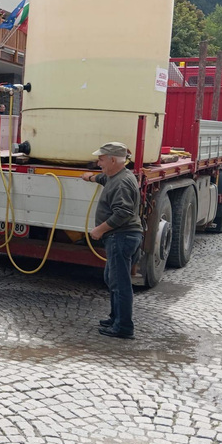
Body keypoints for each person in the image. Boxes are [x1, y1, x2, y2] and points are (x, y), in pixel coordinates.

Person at [80, 142, 143, 339]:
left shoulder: (122, 182)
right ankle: (116, 318)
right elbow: (105, 178)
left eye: (101, 159)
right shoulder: (117, 176)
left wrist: (100, 229)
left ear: (113, 160)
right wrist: (91, 178)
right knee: (111, 278)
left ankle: (123, 326)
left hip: (120, 237)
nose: (98, 162)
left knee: (120, 283)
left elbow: (123, 213)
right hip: (121, 237)